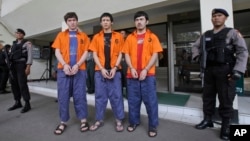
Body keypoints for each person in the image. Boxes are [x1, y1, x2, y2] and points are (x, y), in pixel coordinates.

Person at [192, 8, 249, 140]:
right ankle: (207, 120)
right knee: (207, 97)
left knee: (226, 99)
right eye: (214, 16)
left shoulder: (232, 33)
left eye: (219, 15)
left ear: (225, 18)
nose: (216, 18)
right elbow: (195, 46)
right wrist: (197, 57)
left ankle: (226, 127)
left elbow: (242, 52)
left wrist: (238, 70)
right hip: (209, 71)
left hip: (226, 71)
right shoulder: (205, 35)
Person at [122, 11, 163, 137]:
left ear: (146, 21)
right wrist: (131, 67)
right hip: (132, 75)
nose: (139, 22)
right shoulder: (130, 38)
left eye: (141, 19)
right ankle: (134, 122)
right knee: (133, 101)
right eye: (137, 20)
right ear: (135, 22)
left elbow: (155, 54)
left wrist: (145, 69)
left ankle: (153, 125)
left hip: (148, 75)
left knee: (150, 101)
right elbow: (126, 54)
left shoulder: (153, 37)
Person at [51, 12, 90, 135]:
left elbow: (86, 53)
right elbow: (57, 52)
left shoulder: (84, 36)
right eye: (69, 20)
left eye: (74, 20)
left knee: (80, 96)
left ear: (77, 21)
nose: (72, 22)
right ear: (66, 22)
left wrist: (78, 65)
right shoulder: (61, 35)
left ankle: (83, 120)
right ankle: (63, 122)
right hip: (64, 70)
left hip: (80, 70)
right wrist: (65, 65)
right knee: (63, 96)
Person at [88, 12, 125, 132]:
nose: (105, 22)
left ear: (112, 22)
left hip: (115, 71)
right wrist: (102, 68)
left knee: (117, 96)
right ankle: (99, 120)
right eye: (103, 20)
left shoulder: (119, 36)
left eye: (108, 20)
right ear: (101, 23)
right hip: (100, 72)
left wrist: (115, 68)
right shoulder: (96, 37)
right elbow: (94, 54)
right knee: (100, 97)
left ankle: (119, 120)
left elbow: (121, 53)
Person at [7, 28, 33, 113]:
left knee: (22, 84)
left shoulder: (27, 43)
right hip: (13, 66)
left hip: (21, 65)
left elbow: (29, 56)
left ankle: (27, 103)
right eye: (17, 33)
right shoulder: (13, 44)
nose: (18, 34)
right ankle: (17, 102)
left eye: (20, 33)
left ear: (23, 34)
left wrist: (28, 67)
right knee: (13, 84)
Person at [120, 30, 128, 95]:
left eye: (122, 33)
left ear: (125, 35)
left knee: (127, 78)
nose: (121, 34)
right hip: (118, 63)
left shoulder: (127, 42)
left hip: (125, 63)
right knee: (119, 79)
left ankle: (128, 94)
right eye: (120, 33)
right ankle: (120, 94)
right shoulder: (118, 42)